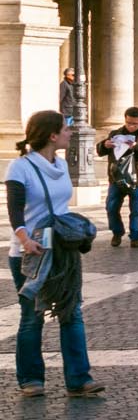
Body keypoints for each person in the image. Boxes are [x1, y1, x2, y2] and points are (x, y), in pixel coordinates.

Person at [9, 110, 98, 397]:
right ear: (52, 135)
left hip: (60, 249)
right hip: (31, 251)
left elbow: (60, 209)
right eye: (66, 129)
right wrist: (24, 239)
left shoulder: (60, 164)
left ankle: (79, 379)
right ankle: (31, 380)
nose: (71, 133)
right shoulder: (19, 167)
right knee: (32, 316)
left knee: (72, 312)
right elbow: (14, 209)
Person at [99, 108, 138, 249]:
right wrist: (104, 145)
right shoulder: (116, 134)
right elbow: (100, 151)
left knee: (135, 209)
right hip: (117, 178)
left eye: (135, 124)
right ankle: (117, 232)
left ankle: (136, 237)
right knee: (111, 207)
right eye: (128, 123)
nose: (131, 126)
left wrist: (137, 148)